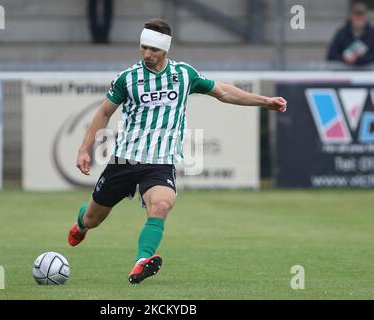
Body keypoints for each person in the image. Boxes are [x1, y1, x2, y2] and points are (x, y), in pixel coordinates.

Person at [68, 18, 287, 284]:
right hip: (124, 159)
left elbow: (224, 93)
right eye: (143, 47)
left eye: (153, 49)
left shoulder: (184, 75)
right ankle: (81, 224)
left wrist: (264, 101)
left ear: (166, 49)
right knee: (93, 219)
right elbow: (104, 112)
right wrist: (84, 148)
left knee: (160, 205)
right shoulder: (129, 78)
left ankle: (141, 261)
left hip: (160, 163)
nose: (147, 54)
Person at [327, 2, 374, 66]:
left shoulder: (372, 34)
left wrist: (359, 60)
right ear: (351, 16)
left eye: (361, 15)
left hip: (367, 73)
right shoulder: (342, 33)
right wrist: (345, 58)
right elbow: (331, 54)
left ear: (366, 17)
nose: (359, 18)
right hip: (346, 72)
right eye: (356, 15)